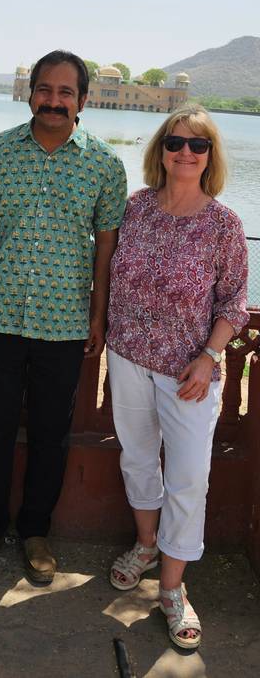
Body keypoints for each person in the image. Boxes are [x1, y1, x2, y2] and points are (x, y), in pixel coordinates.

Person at [0, 50, 127, 584]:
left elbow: (107, 247)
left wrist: (98, 315)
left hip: (65, 323)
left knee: (51, 435)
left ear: (83, 99)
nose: (53, 101)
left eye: (65, 93)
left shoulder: (104, 164)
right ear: (30, 92)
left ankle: (36, 533)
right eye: (45, 90)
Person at [106, 105, 248, 649]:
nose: (185, 152)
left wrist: (210, 356)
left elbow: (235, 301)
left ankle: (171, 588)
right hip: (128, 357)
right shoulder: (136, 209)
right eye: (175, 142)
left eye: (197, 145)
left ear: (210, 155)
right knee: (137, 457)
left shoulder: (224, 225)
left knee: (189, 479)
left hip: (189, 372)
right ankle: (146, 544)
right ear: (160, 150)